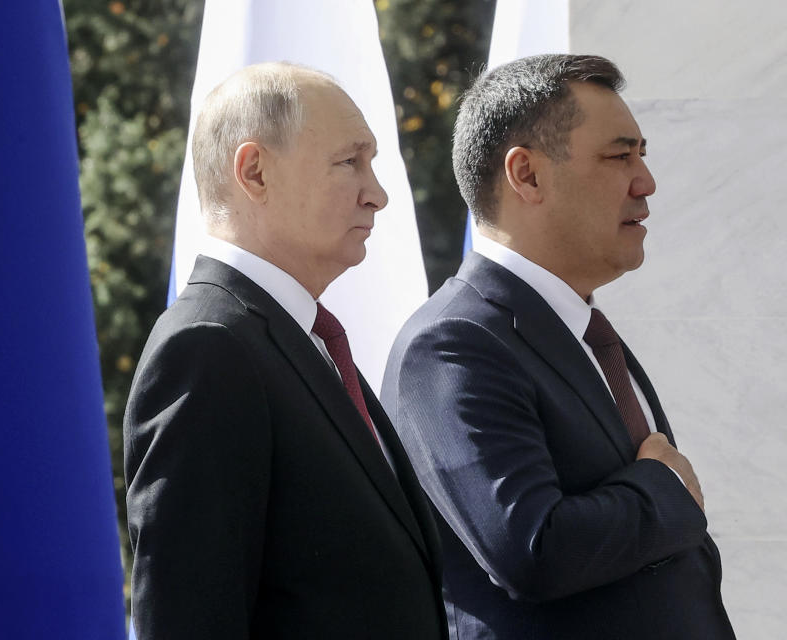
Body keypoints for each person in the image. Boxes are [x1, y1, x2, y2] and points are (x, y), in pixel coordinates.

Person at [381, 54, 736, 639]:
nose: (645, 182)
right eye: (621, 156)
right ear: (526, 175)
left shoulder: (587, 333)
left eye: (642, 154)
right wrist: (663, 490)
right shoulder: (452, 345)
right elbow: (532, 547)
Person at [124, 62, 447, 640]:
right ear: (254, 172)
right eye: (350, 162)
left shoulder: (301, 340)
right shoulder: (209, 349)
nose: (378, 195)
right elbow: (187, 618)